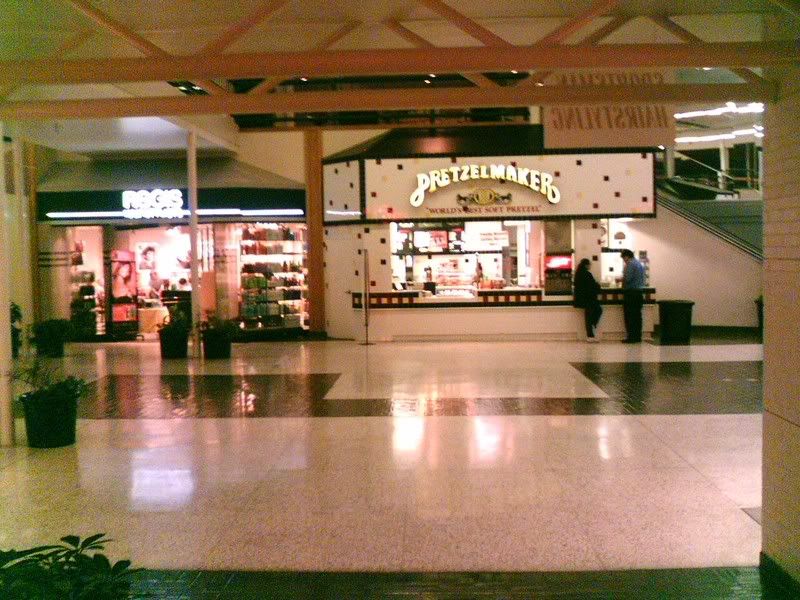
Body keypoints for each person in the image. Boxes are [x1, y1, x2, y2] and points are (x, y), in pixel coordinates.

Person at [573, 258, 602, 342]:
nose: (590, 266)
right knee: (596, 311)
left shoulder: (578, 274)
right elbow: (592, 285)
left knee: (588, 316)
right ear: (586, 265)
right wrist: (598, 285)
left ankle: (590, 334)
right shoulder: (587, 274)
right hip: (589, 298)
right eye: (589, 265)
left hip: (583, 298)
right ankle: (591, 331)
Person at [620, 248, 646, 343]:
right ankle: (637, 337)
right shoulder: (639, 264)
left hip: (631, 293)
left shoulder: (630, 264)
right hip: (639, 293)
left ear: (627, 256)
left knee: (630, 316)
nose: (624, 260)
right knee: (637, 316)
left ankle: (631, 337)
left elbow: (628, 279)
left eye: (623, 258)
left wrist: (621, 278)